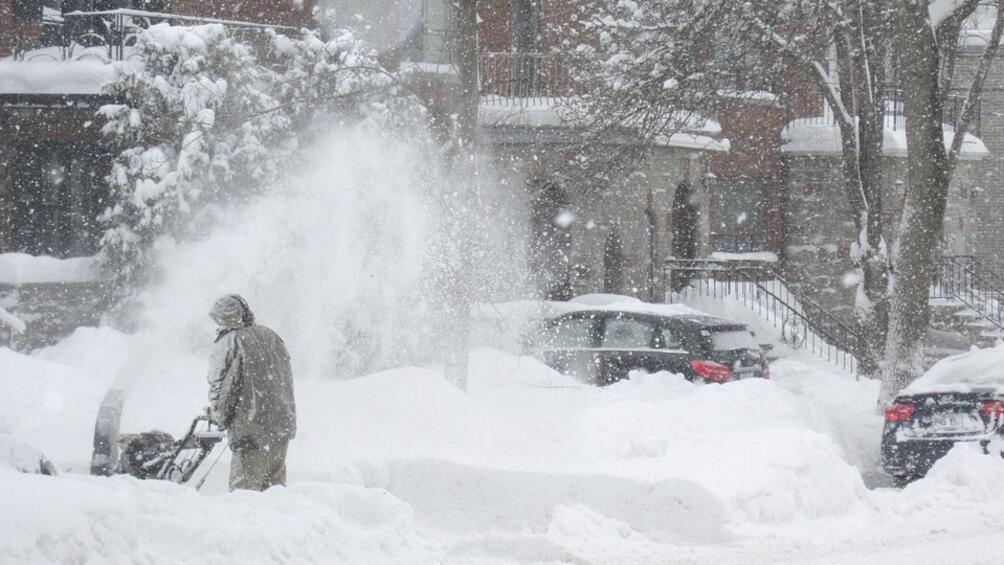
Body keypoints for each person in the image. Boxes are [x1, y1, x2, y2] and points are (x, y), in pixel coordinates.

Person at [206, 294, 296, 491]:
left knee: (245, 493)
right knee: (275, 490)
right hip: (281, 425)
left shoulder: (229, 342)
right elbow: (285, 378)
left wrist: (219, 415)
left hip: (250, 428)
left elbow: (219, 386)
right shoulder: (271, 336)